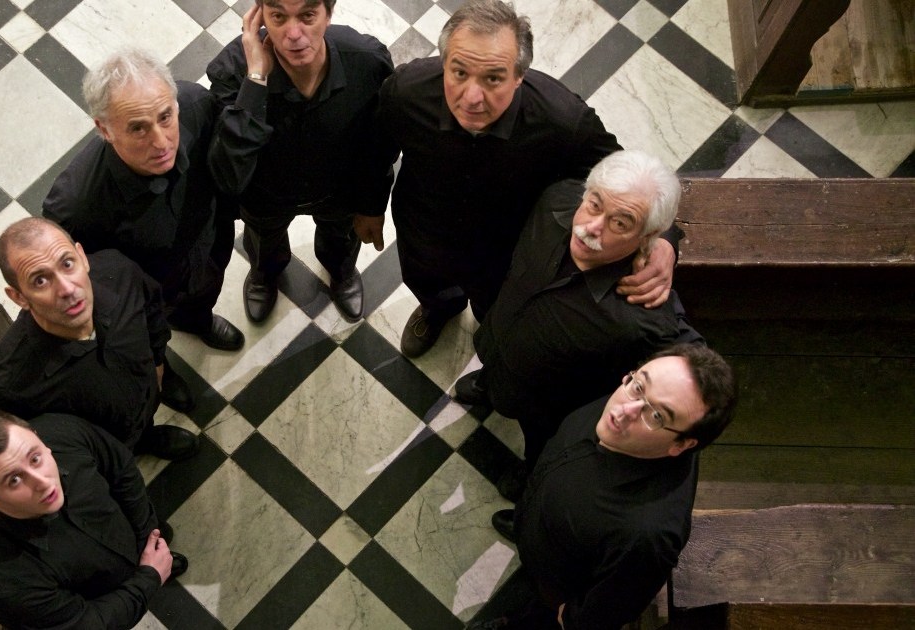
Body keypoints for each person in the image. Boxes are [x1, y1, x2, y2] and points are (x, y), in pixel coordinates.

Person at [364, 0, 677, 358]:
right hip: (424, 228)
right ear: (444, 62)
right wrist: (369, 205)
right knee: (429, 284)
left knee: (496, 310)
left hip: (507, 248)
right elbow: (376, 146)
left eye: (493, 78)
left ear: (519, 76)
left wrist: (661, 240)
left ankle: (493, 336)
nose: (472, 97)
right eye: (459, 73)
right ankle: (438, 309)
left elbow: (625, 175)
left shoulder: (562, 122)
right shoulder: (407, 91)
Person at [456, 150, 702, 500]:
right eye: (594, 204)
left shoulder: (638, 318)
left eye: (620, 223)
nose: (591, 228)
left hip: (542, 402)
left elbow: (696, 368)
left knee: (541, 444)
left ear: (647, 236)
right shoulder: (555, 201)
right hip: (498, 341)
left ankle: (532, 479)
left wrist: (668, 243)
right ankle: (487, 387)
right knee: (492, 368)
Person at [44, 46, 244, 413]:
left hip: (205, 246)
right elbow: (103, 296)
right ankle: (162, 364)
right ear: (104, 129)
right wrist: (151, 354)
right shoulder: (76, 207)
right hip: (149, 292)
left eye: (165, 117)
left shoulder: (196, 104)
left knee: (205, 289)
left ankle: (197, 319)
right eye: (138, 128)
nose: (161, 142)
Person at [486, 344, 737, 630]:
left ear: (681, 445)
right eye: (639, 386)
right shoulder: (629, 405)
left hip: (554, 584)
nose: (624, 410)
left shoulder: (645, 538)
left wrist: (569, 618)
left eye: (656, 416)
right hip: (544, 522)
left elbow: (606, 610)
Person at [207, 0, 394, 323]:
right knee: (263, 243)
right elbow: (228, 175)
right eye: (278, 16)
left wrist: (372, 204)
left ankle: (341, 271)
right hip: (266, 195)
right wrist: (255, 80)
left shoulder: (366, 61)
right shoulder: (234, 70)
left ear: (328, 13)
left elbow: (380, 143)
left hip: (339, 191)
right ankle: (265, 274)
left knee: (341, 239)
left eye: (307, 15)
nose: (294, 34)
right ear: (260, 17)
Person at [0, 217, 199, 461]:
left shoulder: (119, 273)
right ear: (19, 297)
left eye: (67, 264)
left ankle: (147, 435)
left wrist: (158, 364)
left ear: (82, 257)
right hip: (105, 446)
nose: (67, 289)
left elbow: (152, 311)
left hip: (144, 392)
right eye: (40, 280)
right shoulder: (11, 381)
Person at [0, 408, 188, 629]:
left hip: (126, 538)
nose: (43, 483)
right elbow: (87, 623)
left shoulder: (60, 431)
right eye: (14, 480)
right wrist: (148, 579)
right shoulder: (0, 581)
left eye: (35, 459)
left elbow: (121, 469)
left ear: (39, 438)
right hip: (102, 595)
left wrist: (148, 537)